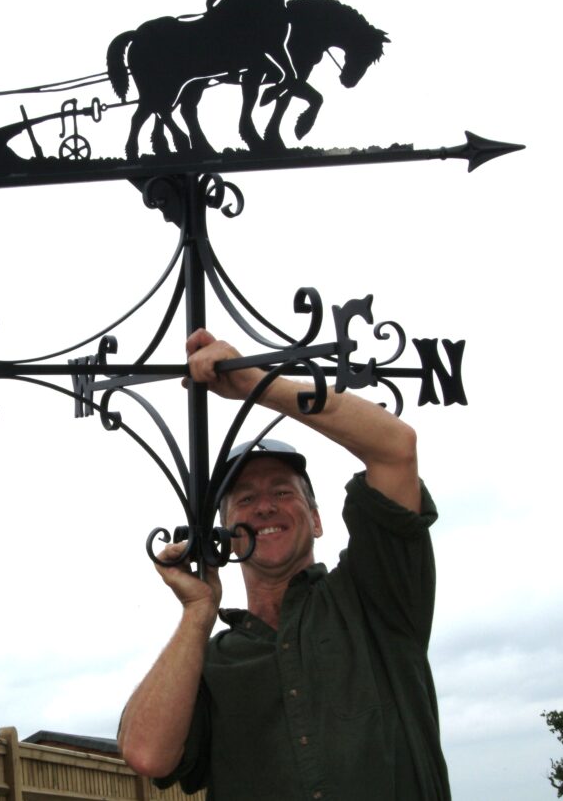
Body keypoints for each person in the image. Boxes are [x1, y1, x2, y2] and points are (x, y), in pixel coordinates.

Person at [118, 328, 451, 800]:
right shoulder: (209, 660)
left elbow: (395, 447)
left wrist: (257, 383)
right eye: (246, 498)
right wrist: (197, 613)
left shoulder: (374, 596)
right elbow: (147, 755)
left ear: (315, 519)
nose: (265, 507)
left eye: (281, 492)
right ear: (226, 534)